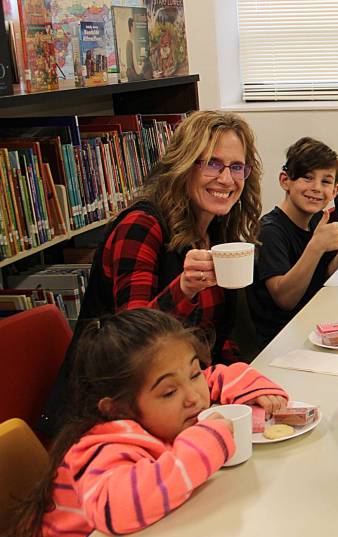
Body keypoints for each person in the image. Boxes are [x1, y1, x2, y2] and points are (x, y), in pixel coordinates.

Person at [4, 309, 290, 537]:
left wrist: (251, 389)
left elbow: (214, 377)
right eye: (168, 392)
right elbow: (117, 508)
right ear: (117, 408)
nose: (194, 397)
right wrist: (205, 443)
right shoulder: (102, 445)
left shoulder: (170, 402)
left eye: (192, 373)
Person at [38, 110, 263, 439]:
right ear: (184, 165)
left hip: (178, 402)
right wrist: (184, 288)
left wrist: (239, 381)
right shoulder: (142, 225)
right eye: (212, 164)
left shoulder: (217, 228)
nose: (227, 179)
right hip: (114, 418)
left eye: (236, 167)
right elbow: (132, 347)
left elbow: (215, 334)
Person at [249, 137, 338, 348]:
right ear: (285, 180)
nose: (316, 187)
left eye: (325, 181)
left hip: (315, 323)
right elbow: (285, 299)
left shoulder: (316, 220)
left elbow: (322, 274)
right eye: (307, 178)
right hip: (281, 341)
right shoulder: (269, 231)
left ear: (335, 190)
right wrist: (315, 247)